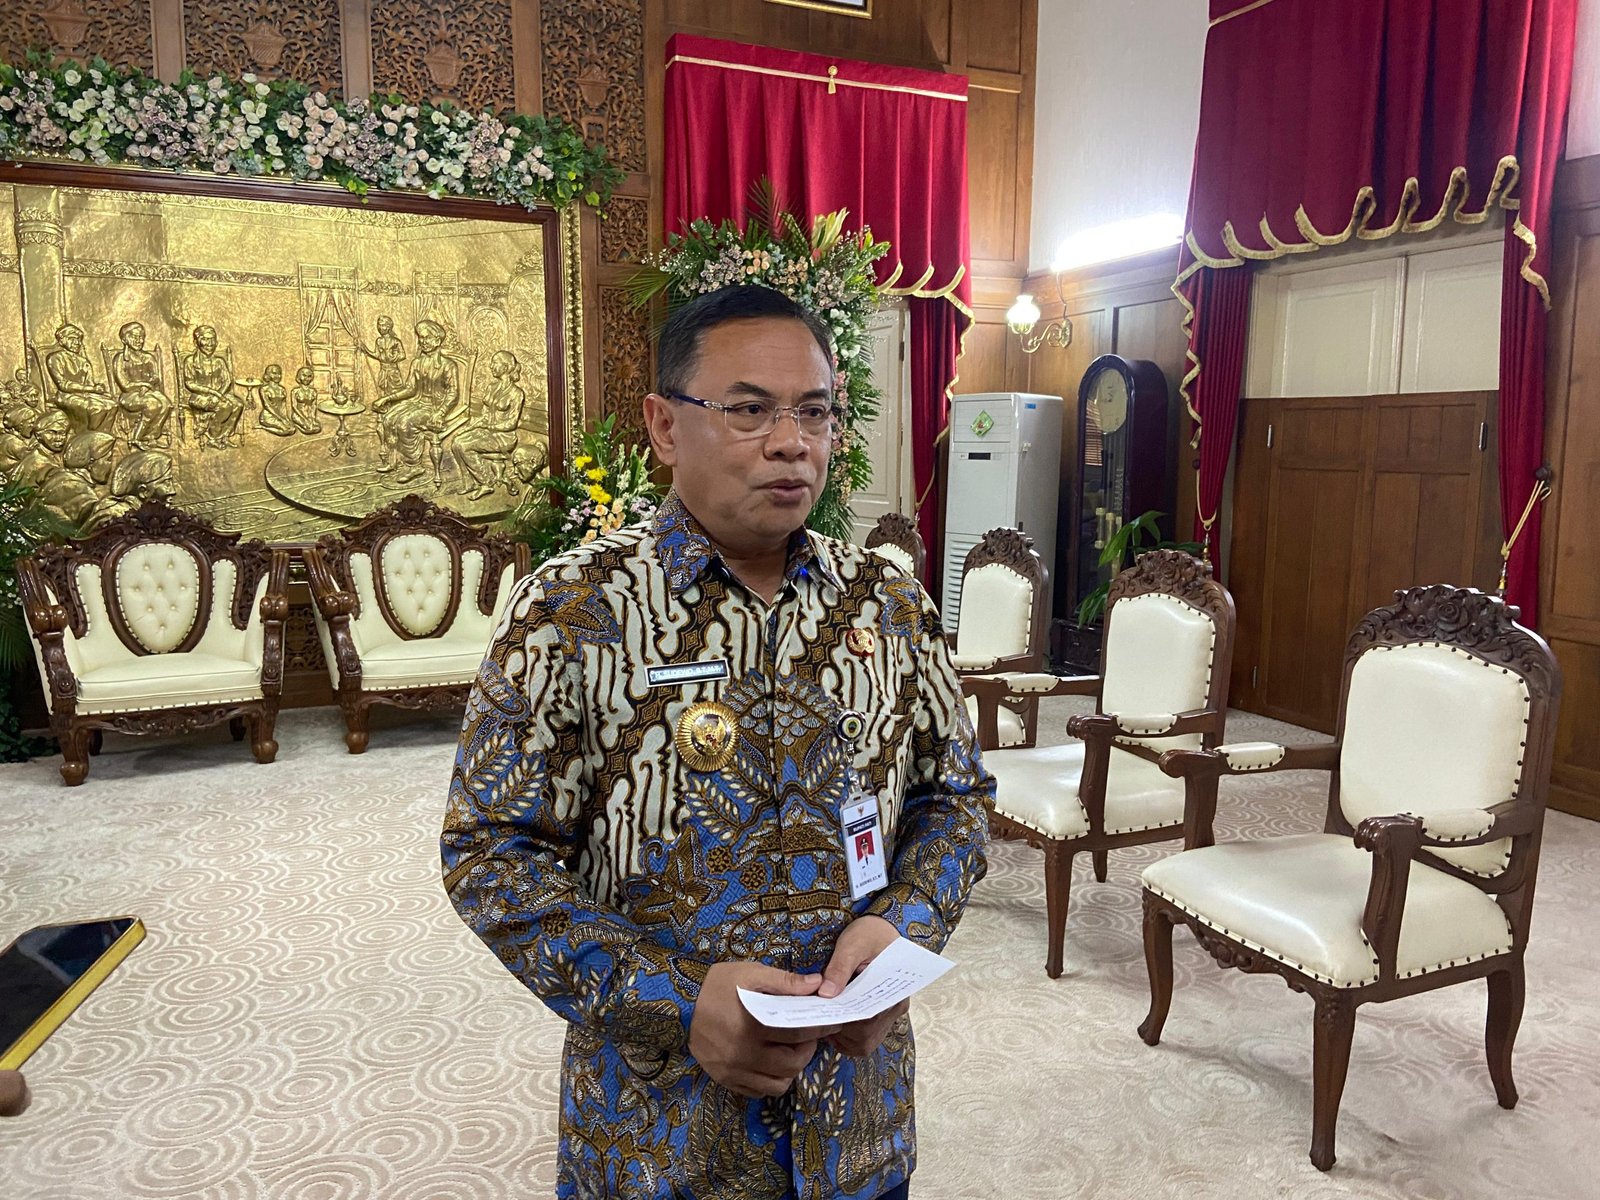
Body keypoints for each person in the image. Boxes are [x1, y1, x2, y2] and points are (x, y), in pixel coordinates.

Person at [441, 284, 992, 1200]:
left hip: (857, 1121)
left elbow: (956, 798)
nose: (791, 442)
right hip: (656, 1135)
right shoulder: (571, 612)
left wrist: (905, 926)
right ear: (665, 425)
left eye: (814, 411)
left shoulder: (889, 604)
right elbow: (489, 854)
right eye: (749, 410)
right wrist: (675, 1000)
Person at [451, 349, 526, 499]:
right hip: (486, 432)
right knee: (455, 443)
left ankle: (486, 483)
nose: (491, 366)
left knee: (464, 446)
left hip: (504, 437)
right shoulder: (491, 388)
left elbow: (511, 423)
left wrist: (489, 427)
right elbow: (484, 416)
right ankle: (469, 482)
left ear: (506, 367)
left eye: (495, 363)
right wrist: (468, 428)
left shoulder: (516, 393)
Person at [109, 321, 173, 448]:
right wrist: (144, 385)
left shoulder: (148, 358)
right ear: (124, 339)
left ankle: (151, 436)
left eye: (141, 337)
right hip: (129, 396)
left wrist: (148, 385)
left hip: (148, 392)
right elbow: (125, 385)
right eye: (134, 337)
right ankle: (136, 438)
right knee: (153, 404)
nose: (139, 340)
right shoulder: (120, 359)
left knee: (166, 404)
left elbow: (155, 377)